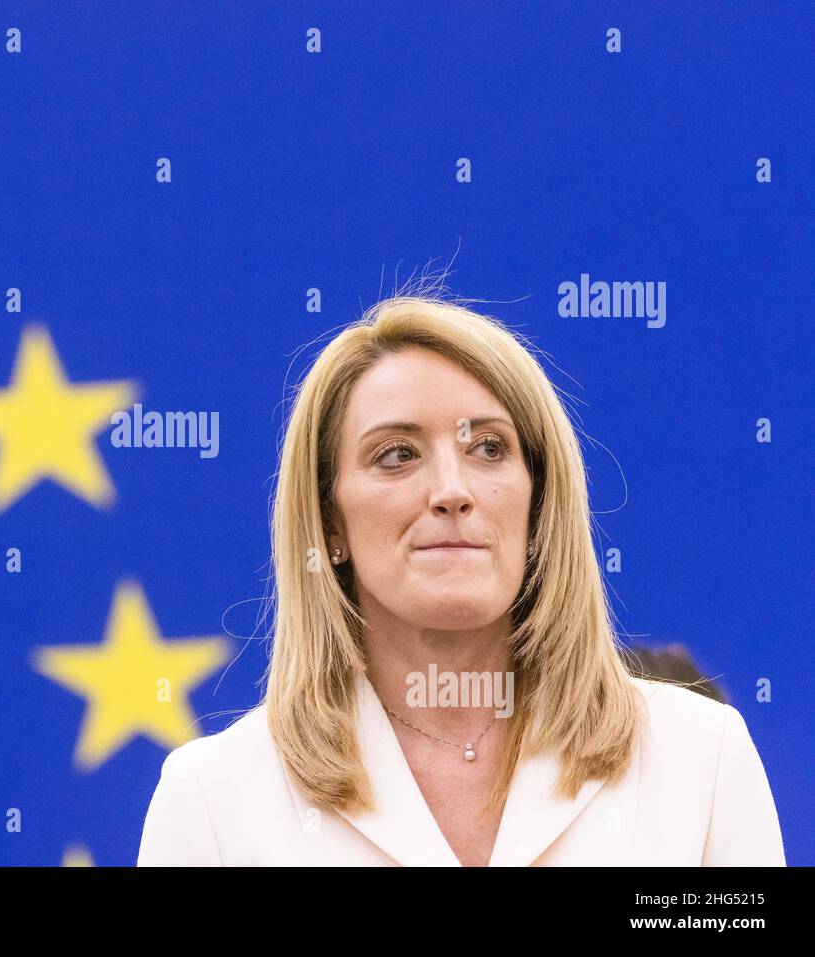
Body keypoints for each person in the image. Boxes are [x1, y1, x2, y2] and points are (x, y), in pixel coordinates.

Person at [137, 292, 784, 866]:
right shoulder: (213, 803)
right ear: (329, 519)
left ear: (538, 501)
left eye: (489, 449)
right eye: (397, 454)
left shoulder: (702, 762)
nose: (451, 490)